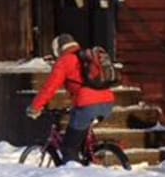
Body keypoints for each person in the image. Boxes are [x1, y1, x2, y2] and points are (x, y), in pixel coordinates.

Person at [27, 34, 118, 163]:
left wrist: (35, 107)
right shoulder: (87, 57)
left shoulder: (64, 61)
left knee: (68, 148)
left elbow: (49, 88)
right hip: (107, 103)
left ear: (57, 49)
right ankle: (89, 159)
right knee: (79, 137)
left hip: (88, 107)